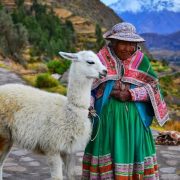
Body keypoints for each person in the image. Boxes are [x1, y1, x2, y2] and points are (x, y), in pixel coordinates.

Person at [82, 22, 169, 179]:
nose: (128, 48)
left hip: (135, 124)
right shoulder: (100, 59)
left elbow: (154, 90)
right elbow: (89, 88)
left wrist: (130, 94)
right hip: (106, 123)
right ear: (113, 42)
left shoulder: (142, 61)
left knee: (134, 157)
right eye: (123, 43)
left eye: (132, 44)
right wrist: (88, 105)